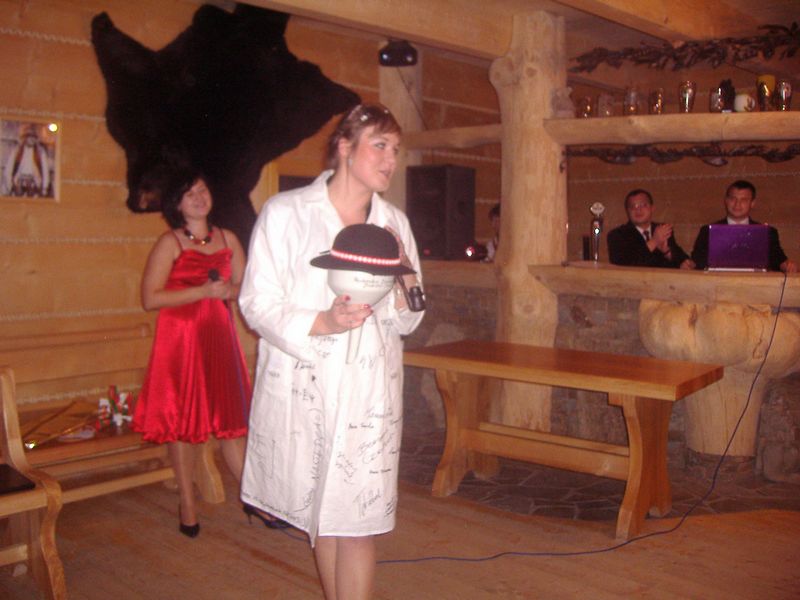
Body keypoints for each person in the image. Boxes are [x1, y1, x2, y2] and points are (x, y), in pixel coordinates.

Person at [238, 103, 424, 600]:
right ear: (344, 146)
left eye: (396, 149)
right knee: (322, 514)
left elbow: (409, 319)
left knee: (359, 520)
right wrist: (323, 322)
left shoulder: (393, 223)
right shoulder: (287, 214)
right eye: (379, 146)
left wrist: (405, 278)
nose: (391, 160)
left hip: (368, 394)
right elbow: (257, 302)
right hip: (308, 387)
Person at [132, 168, 252, 538]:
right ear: (177, 204)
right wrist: (202, 292)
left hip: (219, 338)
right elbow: (150, 299)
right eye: (190, 194)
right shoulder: (170, 242)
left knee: (231, 423)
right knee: (181, 425)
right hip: (181, 342)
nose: (199, 198)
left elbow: (248, 288)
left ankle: (254, 499)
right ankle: (187, 501)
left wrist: (228, 292)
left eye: (202, 190)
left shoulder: (228, 238)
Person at [691, 179, 797, 273]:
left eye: (744, 200)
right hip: (718, 283)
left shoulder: (768, 233)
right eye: (733, 199)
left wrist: (786, 265)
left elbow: (778, 258)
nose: (737, 204)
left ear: (752, 203)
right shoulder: (708, 231)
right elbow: (697, 261)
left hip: (756, 285)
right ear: (726, 201)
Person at [607, 189, 694, 269]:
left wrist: (667, 252)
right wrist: (654, 241)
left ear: (652, 208)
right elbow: (625, 265)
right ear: (627, 211)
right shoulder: (617, 235)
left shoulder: (662, 229)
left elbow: (681, 258)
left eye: (643, 205)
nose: (638, 210)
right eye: (633, 206)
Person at [1, 123, 52, 197]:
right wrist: (9, 185)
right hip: (18, 182)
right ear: (25, 138)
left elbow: (45, 170)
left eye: (34, 138)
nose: (32, 140)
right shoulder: (17, 151)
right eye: (30, 137)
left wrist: (44, 187)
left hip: (34, 183)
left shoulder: (40, 152)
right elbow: (9, 168)